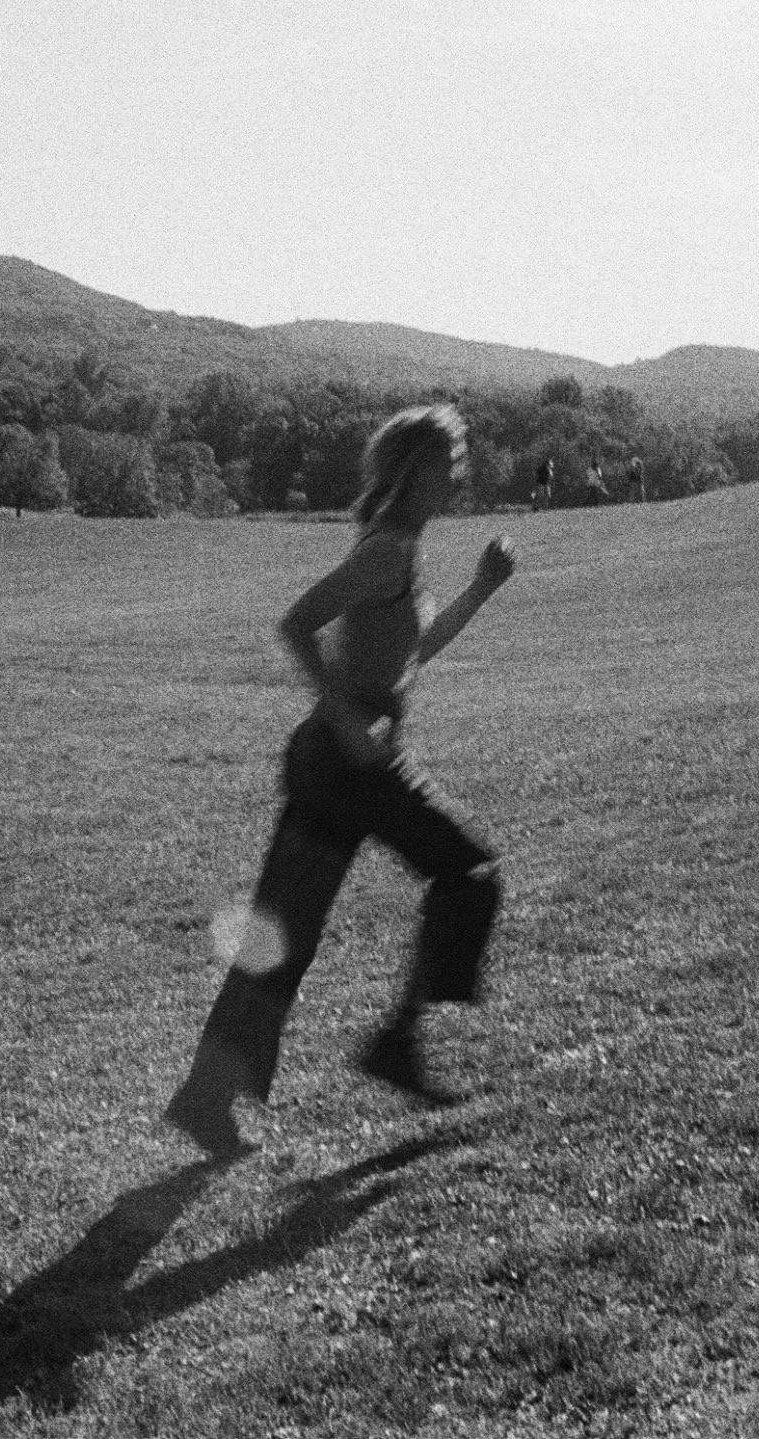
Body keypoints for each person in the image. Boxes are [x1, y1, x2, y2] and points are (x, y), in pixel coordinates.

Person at [164, 404, 516, 1160]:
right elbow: (295, 624)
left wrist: (483, 589)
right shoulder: (387, 551)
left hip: (349, 758)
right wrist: (350, 721)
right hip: (343, 762)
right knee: (468, 873)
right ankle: (395, 1041)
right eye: (446, 463)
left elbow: (413, 652)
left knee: (284, 938)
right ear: (412, 470)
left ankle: (206, 1096)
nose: (456, 477)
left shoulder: (404, 549)